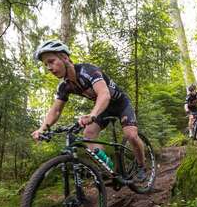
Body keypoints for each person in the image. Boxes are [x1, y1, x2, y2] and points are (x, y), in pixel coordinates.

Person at [31, 40, 147, 180]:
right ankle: (110, 170)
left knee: (131, 135)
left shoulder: (88, 71)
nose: (49, 67)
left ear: (65, 58)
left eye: (51, 61)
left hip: (120, 103)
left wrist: (92, 114)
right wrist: (42, 128)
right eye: (46, 65)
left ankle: (141, 165)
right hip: (104, 108)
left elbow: (104, 94)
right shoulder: (64, 86)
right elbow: (55, 111)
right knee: (88, 135)